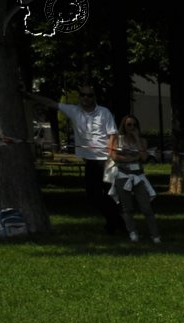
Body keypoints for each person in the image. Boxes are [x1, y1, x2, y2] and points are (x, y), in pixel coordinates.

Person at [26, 84, 120, 232]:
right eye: (83, 95)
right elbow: (51, 103)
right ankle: (115, 222)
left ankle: (116, 224)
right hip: (90, 160)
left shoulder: (104, 112)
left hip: (105, 159)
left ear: (94, 97)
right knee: (93, 195)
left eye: (89, 95)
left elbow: (113, 134)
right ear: (79, 97)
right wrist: (29, 95)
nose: (86, 98)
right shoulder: (74, 111)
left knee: (110, 194)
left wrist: (110, 156)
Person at [107, 114, 160, 244]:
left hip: (138, 176)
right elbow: (114, 156)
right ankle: (133, 233)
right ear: (124, 126)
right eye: (129, 125)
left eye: (134, 125)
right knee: (127, 208)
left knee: (146, 207)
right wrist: (130, 158)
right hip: (122, 176)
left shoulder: (142, 141)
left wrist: (136, 138)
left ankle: (155, 235)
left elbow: (143, 157)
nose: (132, 127)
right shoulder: (117, 139)